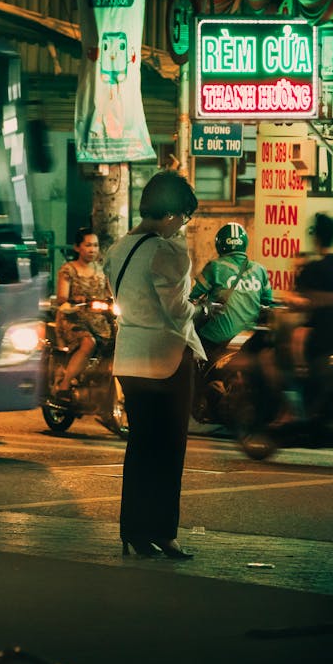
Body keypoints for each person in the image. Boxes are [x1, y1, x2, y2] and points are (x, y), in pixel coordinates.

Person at [104, 170, 203, 560]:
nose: (183, 225)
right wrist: (203, 307)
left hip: (129, 357)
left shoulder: (119, 248)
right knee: (168, 450)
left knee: (140, 448)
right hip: (166, 359)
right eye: (184, 217)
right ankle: (164, 532)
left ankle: (133, 531)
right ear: (171, 214)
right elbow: (177, 311)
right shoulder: (169, 250)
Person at [278, 213, 333, 414]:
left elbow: (300, 303)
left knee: (286, 356)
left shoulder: (314, 269)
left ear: (316, 238)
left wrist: (285, 296)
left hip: (321, 338)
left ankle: (292, 412)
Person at [189, 222, 273, 361]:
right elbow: (268, 303)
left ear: (219, 244)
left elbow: (192, 295)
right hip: (248, 339)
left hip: (217, 338)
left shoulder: (215, 267)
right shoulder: (260, 270)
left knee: (192, 344)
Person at [53, 228, 114, 399]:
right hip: (73, 319)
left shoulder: (102, 271)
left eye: (95, 245)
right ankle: (64, 385)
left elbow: (111, 293)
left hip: (99, 319)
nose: (92, 249)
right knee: (89, 343)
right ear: (77, 247)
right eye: (88, 245)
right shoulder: (68, 270)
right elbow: (61, 298)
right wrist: (74, 299)